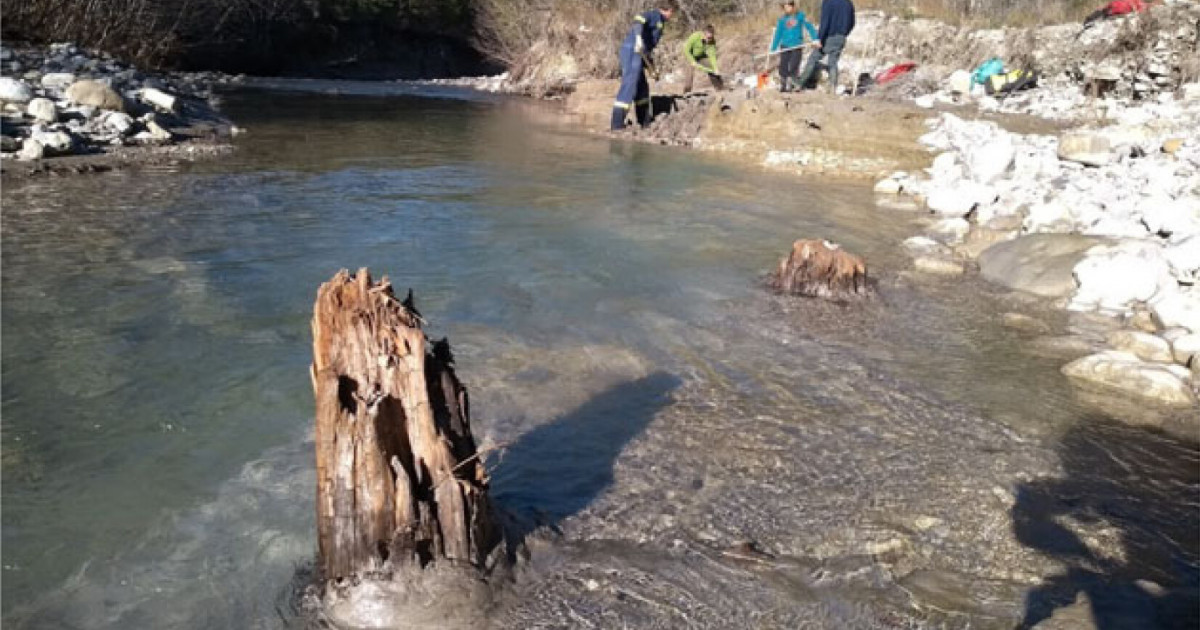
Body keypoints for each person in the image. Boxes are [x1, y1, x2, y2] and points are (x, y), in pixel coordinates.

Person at [611, 6, 674, 131]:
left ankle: (644, 122)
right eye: (672, 13)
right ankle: (616, 125)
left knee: (642, 88)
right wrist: (638, 38)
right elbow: (638, 21)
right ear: (668, 10)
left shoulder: (660, 23)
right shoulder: (653, 15)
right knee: (630, 85)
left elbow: (647, 49)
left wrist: (652, 69)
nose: (672, 16)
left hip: (641, 54)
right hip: (632, 49)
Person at [795, 0, 856, 93]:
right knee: (833, 61)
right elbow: (852, 23)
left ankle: (800, 84)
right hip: (841, 37)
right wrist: (844, 33)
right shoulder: (848, 3)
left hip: (828, 36)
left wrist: (819, 38)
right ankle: (833, 87)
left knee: (813, 58)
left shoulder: (828, 2)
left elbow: (825, 22)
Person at [770, 2, 818, 92]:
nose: (787, 8)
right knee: (783, 66)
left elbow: (810, 27)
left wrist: (815, 38)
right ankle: (783, 84)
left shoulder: (800, 16)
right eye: (785, 7)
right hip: (785, 45)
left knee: (794, 65)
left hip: (797, 45)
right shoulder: (782, 20)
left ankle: (793, 83)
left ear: (792, 6)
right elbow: (778, 34)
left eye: (789, 6)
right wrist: (773, 47)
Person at [682, 25, 724, 93]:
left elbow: (712, 55)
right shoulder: (695, 36)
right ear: (703, 34)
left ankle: (720, 88)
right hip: (690, 55)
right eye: (708, 37)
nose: (709, 40)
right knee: (689, 74)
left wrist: (716, 68)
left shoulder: (712, 41)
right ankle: (686, 92)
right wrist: (692, 61)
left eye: (711, 37)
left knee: (711, 67)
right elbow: (686, 49)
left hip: (701, 56)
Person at [1082, 0, 1147, 28]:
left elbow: (1142, 8)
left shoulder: (1136, 2)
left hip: (1117, 15)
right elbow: (1108, 6)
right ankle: (1088, 22)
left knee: (1101, 12)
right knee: (1100, 12)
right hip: (1111, 14)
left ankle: (1088, 22)